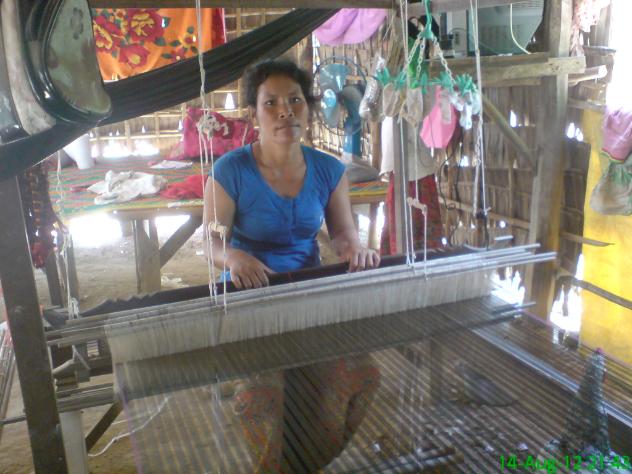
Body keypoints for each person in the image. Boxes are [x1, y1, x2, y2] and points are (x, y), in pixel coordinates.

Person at [203, 59, 381, 472]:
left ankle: (312, 464)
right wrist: (234, 257)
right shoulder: (230, 171)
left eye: (295, 100)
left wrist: (356, 249)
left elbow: (343, 234)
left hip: (307, 299)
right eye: (271, 103)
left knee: (361, 375)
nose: (285, 111)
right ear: (254, 114)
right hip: (250, 301)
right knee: (261, 397)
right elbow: (211, 242)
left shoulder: (328, 170)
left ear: (309, 107)